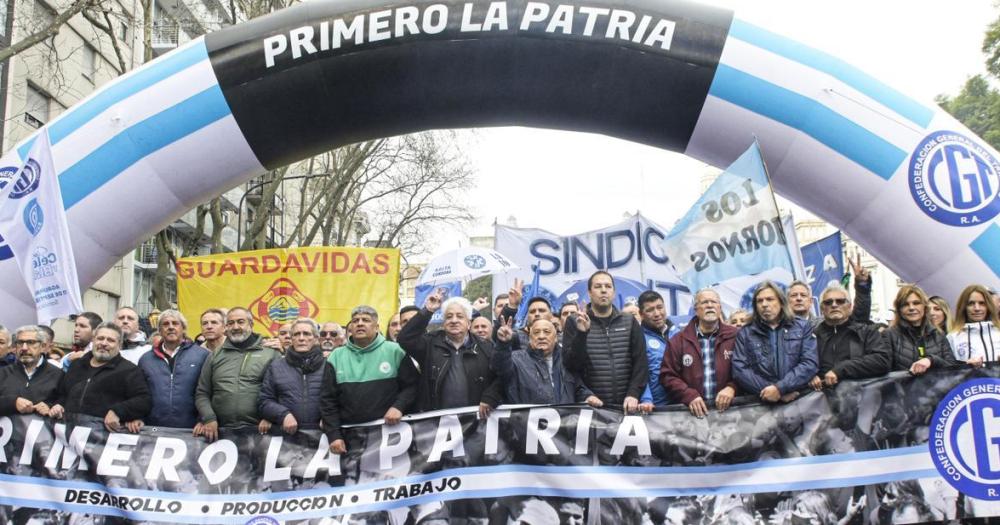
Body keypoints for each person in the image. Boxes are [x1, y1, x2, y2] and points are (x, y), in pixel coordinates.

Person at [397, 292, 501, 417]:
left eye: (460, 316)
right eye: (449, 316)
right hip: (438, 423)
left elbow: (501, 376)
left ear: (468, 323)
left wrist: (490, 397)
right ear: (443, 322)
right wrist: (428, 310)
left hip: (476, 422)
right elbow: (405, 339)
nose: (454, 320)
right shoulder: (429, 343)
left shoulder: (485, 346)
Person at [563, 271, 651, 414]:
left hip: (628, 406)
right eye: (598, 286)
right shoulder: (574, 321)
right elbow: (570, 366)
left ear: (614, 292)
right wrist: (582, 334)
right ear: (589, 292)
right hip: (592, 408)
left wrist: (633, 393)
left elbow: (641, 363)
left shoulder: (629, 321)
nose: (604, 290)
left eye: (608, 286)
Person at [324, 306, 419, 427]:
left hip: (389, 431)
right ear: (350, 328)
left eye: (366, 320)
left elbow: (412, 386)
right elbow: (327, 399)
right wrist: (334, 434)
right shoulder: (336, 356)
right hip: (349, 435)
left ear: (377, 327)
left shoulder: (395, 351)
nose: (359, 324)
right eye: (355, 321)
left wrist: (399, 406)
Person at [48, 322, 151, 433]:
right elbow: (62, 394)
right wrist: (58, 405)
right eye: (100, 338)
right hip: (69, 435)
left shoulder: (130, 371)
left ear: (119, 345)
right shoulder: (76, 365)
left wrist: (118, 411)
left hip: (101, 441)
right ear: (93, 341)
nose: (104, 343)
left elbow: (144, 400)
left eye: (110, 340)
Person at [195, 307, 279, 441]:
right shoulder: (215, 355)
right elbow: (202, 392)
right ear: (226, 327)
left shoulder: (271, 353)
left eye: (241, 322)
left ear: (251, 324)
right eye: (230, 323)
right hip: (221, 432)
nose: (235, 327)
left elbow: (281, 391)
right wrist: (208, 418)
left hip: (260, 432)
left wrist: (271, 417)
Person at [732, 281, 818, 403]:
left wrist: (780, 388)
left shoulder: (802, 326)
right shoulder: (745, 333)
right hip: (762, 406)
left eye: (769, 299)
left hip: (799, 401)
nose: (764, 304)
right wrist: (771, 391)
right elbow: (740, 370)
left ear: (781, 302)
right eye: (759, 301)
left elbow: (809, 363)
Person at [661, 288, 739, 416]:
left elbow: (746, 368)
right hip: (693, 416)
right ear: (696, 310)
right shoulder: (678, 341)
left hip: (732, 413)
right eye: (704, 302)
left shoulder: (736, 336)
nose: (709, 305)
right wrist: (688, 395)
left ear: (720, 308)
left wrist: (732, 387)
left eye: (713, 302)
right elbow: (668, 375)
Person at [260, 319, 339, 441]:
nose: (301, 338)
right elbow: (265, 400)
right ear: (291, 339)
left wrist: (330, 418)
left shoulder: (329, 364)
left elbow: (341, 397)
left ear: (316, 338)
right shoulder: (276, 366)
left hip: (324, 438)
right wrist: (283, 415)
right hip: (288, 440)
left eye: (306, 334)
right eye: (296, 334)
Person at [494, 316, 602, 406]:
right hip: (527, 427)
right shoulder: (516, 359)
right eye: (536, 333)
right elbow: (500, 367)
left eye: (546, 332)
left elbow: (577, 388)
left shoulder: (566, 360)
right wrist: (503, 345)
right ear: (530, 339)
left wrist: (588, 396)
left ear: (555, 338)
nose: (541, 336)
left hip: (563, 426)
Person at [809, 283, 890, 391]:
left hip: (861, 399)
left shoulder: (866, 331)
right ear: (822, 309)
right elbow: (802, 364)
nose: (834, 305)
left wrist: (842, 369)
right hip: (821, 403)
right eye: (828, 302)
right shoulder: (811, 337)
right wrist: (809, 376)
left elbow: (882, 361)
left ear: (850, 306)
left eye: (840, 301)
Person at [137, 309, 210, 429]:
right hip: (153, 428)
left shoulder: (202, 355)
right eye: (165, 324)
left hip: (192, 429)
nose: (170, 327)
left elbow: (209, 391)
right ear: (159, 330)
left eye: (175, 323)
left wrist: (204, 420)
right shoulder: (146, 360)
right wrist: (138, 417)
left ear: (183, 328)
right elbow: (140, 394)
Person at [885, 285, 957, 375]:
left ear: (924, 306)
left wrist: (931, 360)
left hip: (937, 388)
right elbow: (883, 371)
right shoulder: (889, 335)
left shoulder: (938, 334)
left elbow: (952, 367)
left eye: (916, 303)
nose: (911, 308)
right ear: (899, 309)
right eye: (905, 304)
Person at [0, 325, 62, 416]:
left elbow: (65, 404)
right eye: (20, 343)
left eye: (31, 342)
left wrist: (50, 406)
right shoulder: (3, 373)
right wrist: (13, 402)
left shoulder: (58, 375)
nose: (24, 348)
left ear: (43, 347)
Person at [637, 290, 675, 407]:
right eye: (650, 310)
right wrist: (646, 400)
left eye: (660, 307)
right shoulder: (639, 338)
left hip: (683, 403)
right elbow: (639, 373)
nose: (657, 313)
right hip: (657, 407)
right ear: (641, 314)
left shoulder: (679, 333)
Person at [947, 284, 1000, 366]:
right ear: (963, 307)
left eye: (982, 303)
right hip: (970, 379)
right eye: (971, 303)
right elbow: (947, 371)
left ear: (988, 306)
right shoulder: (953, 337)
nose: (977, 308)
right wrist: (965, 366)